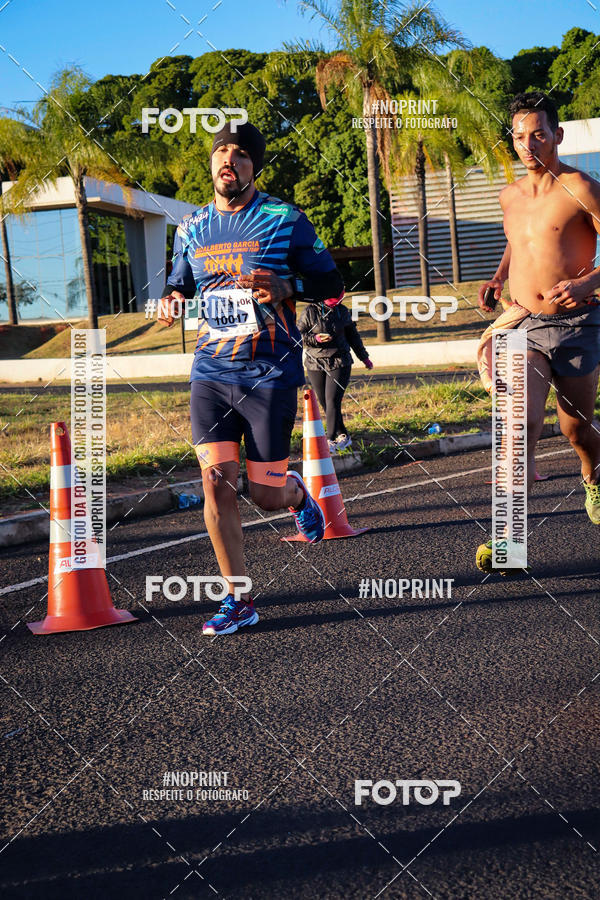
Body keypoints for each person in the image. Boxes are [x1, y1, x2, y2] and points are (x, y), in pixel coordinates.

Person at [158, 121, 345, 633]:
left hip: (270, 372)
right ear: (211, 162)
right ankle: (237, 598)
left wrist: (288, 286)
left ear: (254, 166)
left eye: (240, 154)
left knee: (264, 495)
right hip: (211, 371)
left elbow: (333, 286)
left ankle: (296, 494)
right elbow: (180, 283)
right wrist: (172, 299)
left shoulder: (285, 219)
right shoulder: (191, 227)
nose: (229, 160)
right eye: (221, 151)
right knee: (216, 481)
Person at [476, 91, 600, 573]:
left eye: (538, 135)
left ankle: (593, 476)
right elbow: (519, 242)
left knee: (576, 429)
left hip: (578, 325)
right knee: (517, 424)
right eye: (519, 137)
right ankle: (509, 542)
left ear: (557, 135)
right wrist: (497, 277)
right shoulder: (509, 196)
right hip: (522, 322)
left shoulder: (581, 188)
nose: (528, 146)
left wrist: (587, 282)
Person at [298, 299, 373, 453]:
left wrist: (364, 357)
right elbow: (298, 335)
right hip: (315, 362)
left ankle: (329, 440)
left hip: (340, 361)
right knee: (325, 402)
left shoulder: (342, 311)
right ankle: (343, 434)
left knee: (332, 400)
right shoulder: (309, 311)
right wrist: (315, 339)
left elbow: (353, 336)